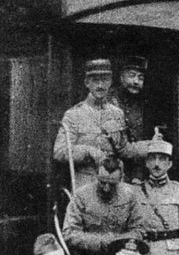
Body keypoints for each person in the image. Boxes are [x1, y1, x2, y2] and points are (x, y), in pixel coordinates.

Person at [62, 155, 145, 255]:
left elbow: (139, 230)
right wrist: (101, 242)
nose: (106, 188)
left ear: (122, 178)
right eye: (102, 182)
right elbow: (69, 233)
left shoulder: (131, 196)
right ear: (95, 175)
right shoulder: (81, 196)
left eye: (112, 184)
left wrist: (118, 242)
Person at [53, 58, 132, 190]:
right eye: (95, 81)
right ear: (87, 83)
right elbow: (59, 152)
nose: (100, 85)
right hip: (87, 184)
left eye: (105, 80)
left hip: (114, 183)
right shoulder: (73, 115)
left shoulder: (117, 113)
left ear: (111, 82)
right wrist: (88, 151)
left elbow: (124, 149)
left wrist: (151, 146)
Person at [108, 55, 152, 183]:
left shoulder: (139, 105)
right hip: (110, 171)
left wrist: (137, 177)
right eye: (132, 75)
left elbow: (137, 138)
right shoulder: (108, 102)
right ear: (121, 77)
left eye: (140, 78)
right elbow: (118, 148)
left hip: (131, 175)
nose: (136, 81)